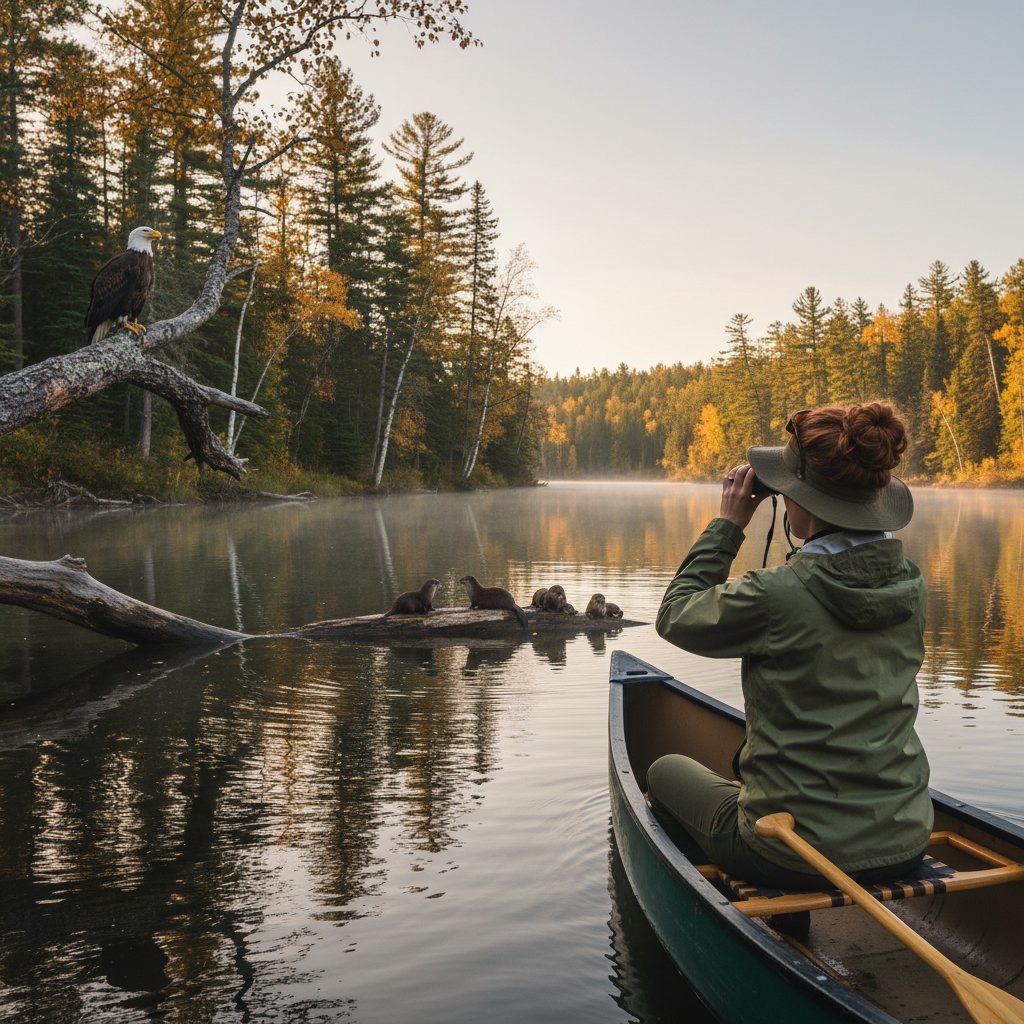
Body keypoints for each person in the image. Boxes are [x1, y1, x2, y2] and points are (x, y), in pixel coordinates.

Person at [649, 402, 933, 889]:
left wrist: (728, 525)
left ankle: (722, 900)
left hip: (791, 852)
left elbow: (675, 615)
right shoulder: (910, 584)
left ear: (805, 498)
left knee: (664, 770)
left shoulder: (776, 594)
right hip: (905, 838)